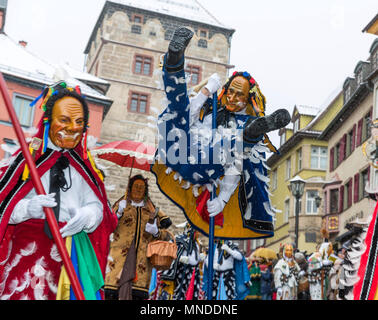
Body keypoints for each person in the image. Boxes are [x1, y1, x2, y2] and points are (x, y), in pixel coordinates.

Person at [151, 27, 291, 241]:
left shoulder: (238, 126)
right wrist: (206, 91)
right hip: (176, 147)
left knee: (232, 145)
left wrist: (223, 198)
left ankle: (253, 132)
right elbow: (186, 118)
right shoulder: (210, 110)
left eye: (240, 95)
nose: (233, 98)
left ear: (249, 100)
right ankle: (174, 61)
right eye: (231, 92)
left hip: (202, 166)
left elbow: (237, 163)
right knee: (177, 108)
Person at [0, 81, 118, 300]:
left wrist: (88, 215)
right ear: (48, 121)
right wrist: (28, 208)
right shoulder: (27, 161)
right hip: (28, 254)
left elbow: (98, 205)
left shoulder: (85, 167)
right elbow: (4, 204)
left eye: (79, 122)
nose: (73, 127)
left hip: (71, 253)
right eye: (64, 120)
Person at [104, 174, 170, 300]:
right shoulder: (121, 206)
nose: (139, 189)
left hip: (141, 266)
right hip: (118, 262)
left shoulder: (151, 212)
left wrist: (156, 232)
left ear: (145, 191)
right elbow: (107, 226)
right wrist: (118, 213)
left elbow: (165, 237)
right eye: (136, 186)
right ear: (130, 188)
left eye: (142, 187)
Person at [159, 223, 204, 300]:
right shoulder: (178, 240)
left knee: (192, 294)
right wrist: (180, 258)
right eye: (198, 231)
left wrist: (200, 258)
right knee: (180, 293)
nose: (199, 233)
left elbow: (194, 257)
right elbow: (169, 252)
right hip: (182, 271)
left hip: (193, 273)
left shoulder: (197, 243)